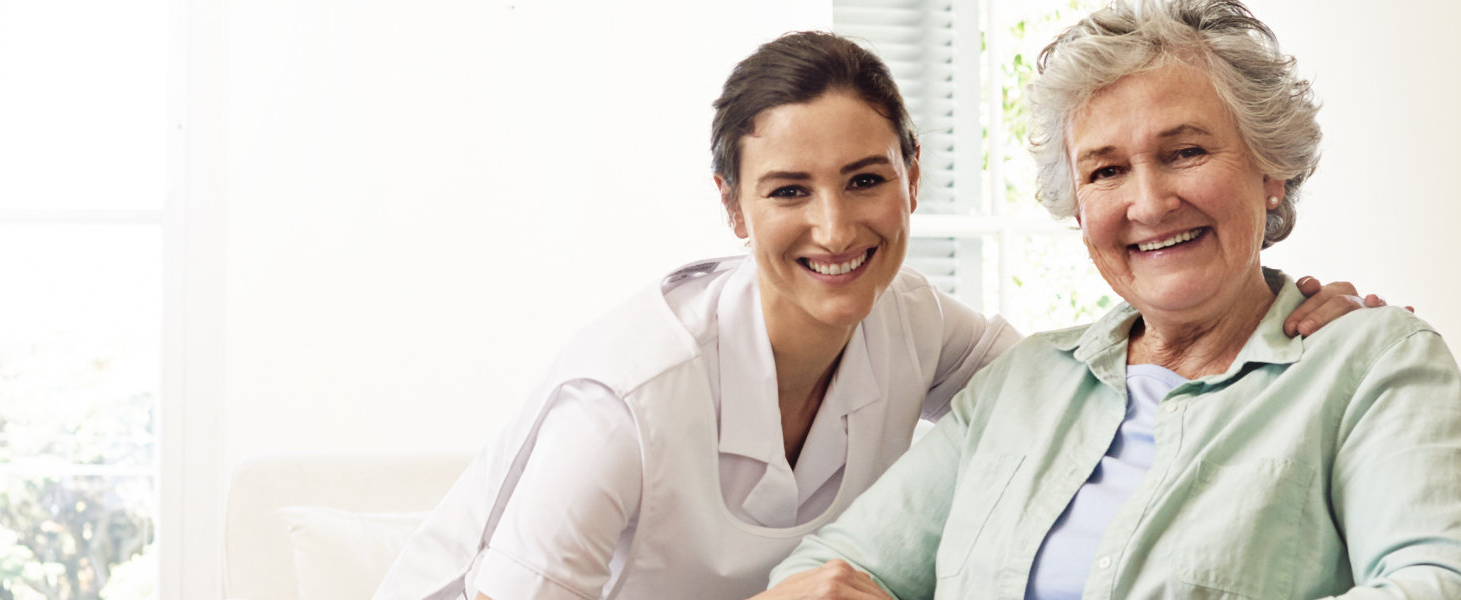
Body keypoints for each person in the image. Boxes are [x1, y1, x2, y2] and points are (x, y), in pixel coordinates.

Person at [374, 30, 1384, 600]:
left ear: (913, 176)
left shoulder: (914, 323)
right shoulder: (623, 402)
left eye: (864, 179)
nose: (834, 226)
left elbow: (1088, 386)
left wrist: (1284, 322)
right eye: (786, 191)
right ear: (730, 204)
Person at [764, 1, 1461, 598]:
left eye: (1185, 152)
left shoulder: (1371, 364)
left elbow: (1445, 584)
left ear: (1270, 169)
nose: (1149, 204)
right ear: (1079, 207)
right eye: (1106, 171)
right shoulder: (1022, 383)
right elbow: (834, 566)